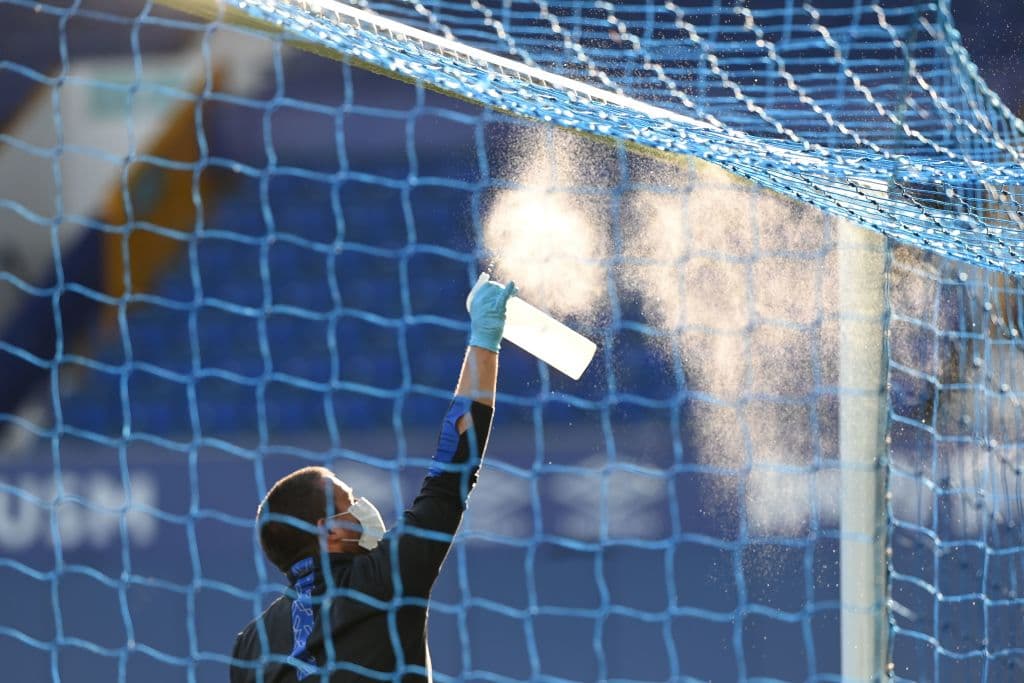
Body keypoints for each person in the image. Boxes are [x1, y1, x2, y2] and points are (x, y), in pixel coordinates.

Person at [230, 274, 517, 683]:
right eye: (350, 501)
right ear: (328, 530)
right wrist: (485, 339)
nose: (364, 508)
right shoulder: (384, 579)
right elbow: (450, 475)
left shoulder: (249, 648)